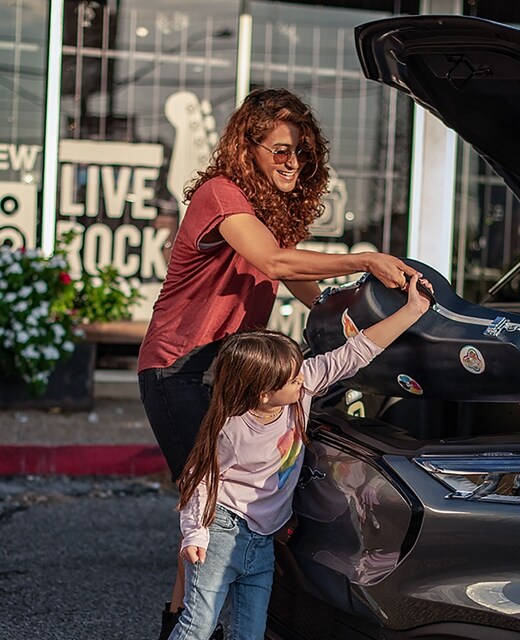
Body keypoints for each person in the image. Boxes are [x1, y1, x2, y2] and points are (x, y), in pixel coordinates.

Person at [137, 87, 418, 640]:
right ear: (249, 148)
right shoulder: (221, 195)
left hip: (230, 372)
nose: (294, 162)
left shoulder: (267, 213)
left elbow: (299, 283)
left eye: (304, 154)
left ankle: (192, 624)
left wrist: (365, 330)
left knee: (220, 506)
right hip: (179, 370)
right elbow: (271, 259)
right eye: (281, 150)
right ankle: (187, 627)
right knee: (211, 506)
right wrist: (364, 256)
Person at [168, 274, 431, 640]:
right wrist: (194, 534)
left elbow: (356, 352)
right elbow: (201, 477)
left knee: (251, 632)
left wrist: (413, 310)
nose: (303, 380)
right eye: (292, 379)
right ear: (262, 394)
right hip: (222, 534)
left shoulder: (300, 387)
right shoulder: (232, 428)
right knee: (199, 625)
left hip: (263, 539)